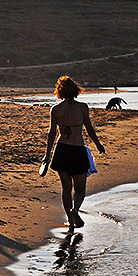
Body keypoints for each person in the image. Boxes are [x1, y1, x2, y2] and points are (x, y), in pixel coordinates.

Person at [43, 76, 105, 230]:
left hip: (62, 150)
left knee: (66, 188)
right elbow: (89, 129)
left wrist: (47, 154)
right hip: (77, 150)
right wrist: (98, 145)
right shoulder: (83, 107)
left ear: (60, 91)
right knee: (80, 189)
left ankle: (70, 221)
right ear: (76, 90)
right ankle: (75, 210)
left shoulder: (55, 109)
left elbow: (51, 133)